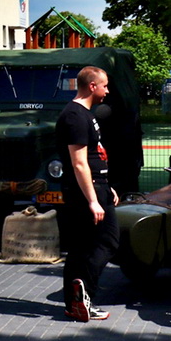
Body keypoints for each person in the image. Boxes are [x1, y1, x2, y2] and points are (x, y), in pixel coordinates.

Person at [56, 66, 119, 322]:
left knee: (83, 247)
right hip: (86, 192)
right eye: (104, 85)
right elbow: (79, 163)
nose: (107, 91)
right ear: (92, 86)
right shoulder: (75, 116)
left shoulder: (84, 114)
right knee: (106, 242)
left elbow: (93, 156)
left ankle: (75, 302)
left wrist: (105, 185)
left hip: (97, 186)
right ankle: (83, 293)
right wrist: (93, 200)